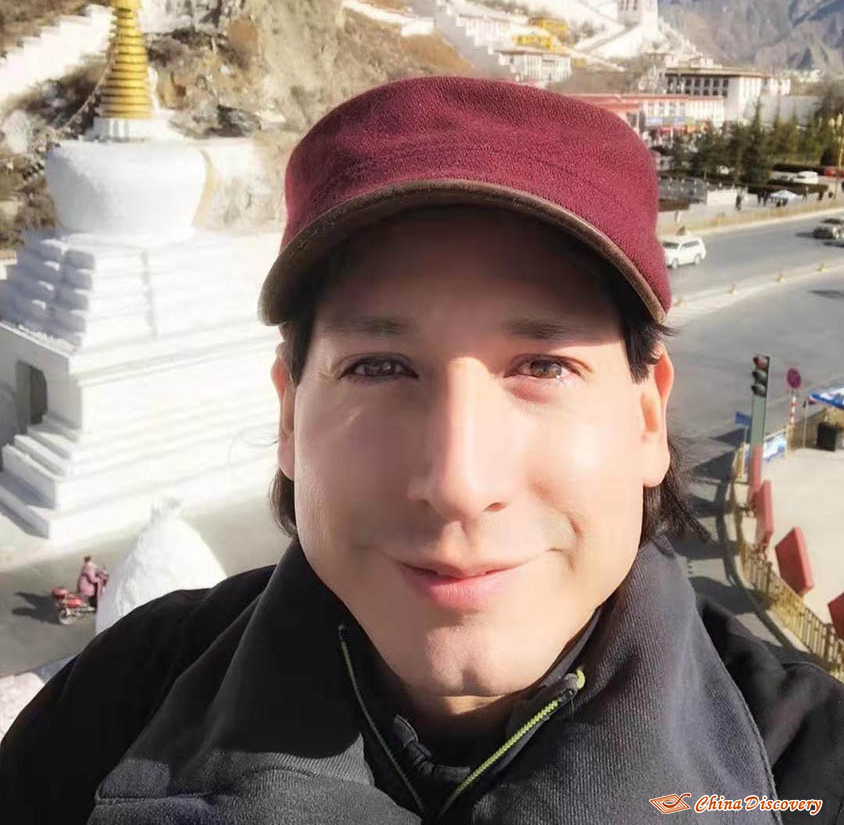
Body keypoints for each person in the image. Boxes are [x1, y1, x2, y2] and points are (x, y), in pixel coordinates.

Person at [2, 75, 842, 824]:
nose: (458, 484)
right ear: (291, 420)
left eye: (543, 366)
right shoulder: (123, 705)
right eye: (379, 367)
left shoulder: (806, 769)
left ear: (647, 419)